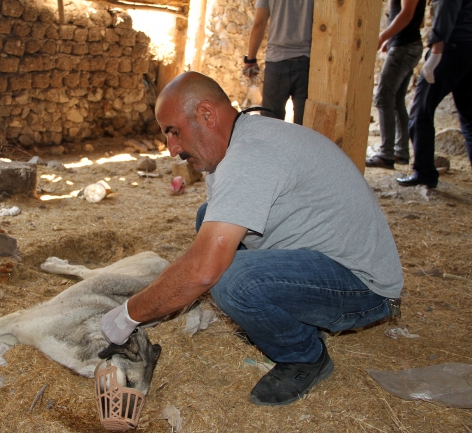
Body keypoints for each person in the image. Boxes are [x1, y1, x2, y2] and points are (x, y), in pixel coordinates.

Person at [101, 72, 404, 406]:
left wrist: (129, 314)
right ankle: (286, 318)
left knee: (231, 278)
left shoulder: (251, 155)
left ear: (206, 114)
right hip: (322, 259)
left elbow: (204, 270)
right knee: (209, 219)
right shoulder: (237, 144)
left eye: (174, 131)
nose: (173, 149)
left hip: (364, 286)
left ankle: (305, 357)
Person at [397, 0, 472, 187]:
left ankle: (424, 173)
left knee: (420, 111)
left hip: (451, 48)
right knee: (470, 119)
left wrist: (436, 50)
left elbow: (447, 6)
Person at [366, 0, 426, 170]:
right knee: (397, 100)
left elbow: (407, 15)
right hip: (404, 44)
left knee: (383, 98)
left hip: (404, 47)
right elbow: (419, 21)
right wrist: (392, 38)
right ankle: (401, 152)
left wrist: (383, 37)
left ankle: (386, 154)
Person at [242, 0, 313, 124]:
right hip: (307, 63)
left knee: (271, 123)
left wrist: (251, 60)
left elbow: (259, 24)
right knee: (305, 125)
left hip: (276, 63)